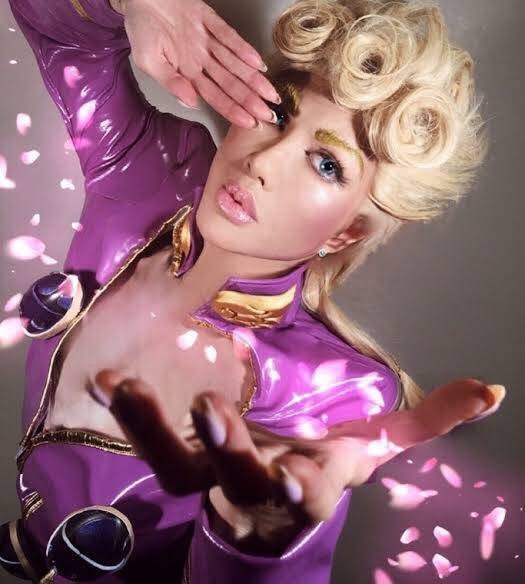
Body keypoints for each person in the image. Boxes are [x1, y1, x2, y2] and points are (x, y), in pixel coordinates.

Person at [1, 0, 505, 582]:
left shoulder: (332, 392)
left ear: (345, 233)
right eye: (279, 113)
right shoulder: (150, 174)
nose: (264, 160)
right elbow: (64, 38)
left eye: (325, 164)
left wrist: (253, 542)